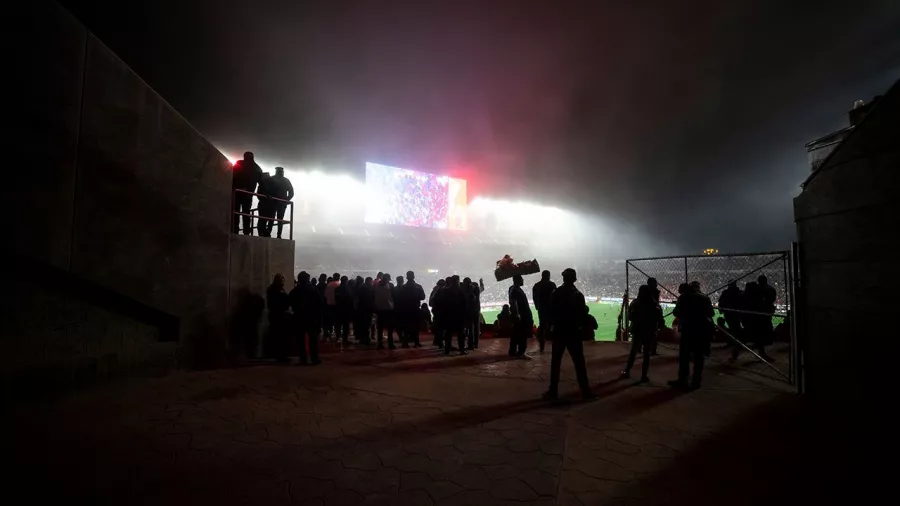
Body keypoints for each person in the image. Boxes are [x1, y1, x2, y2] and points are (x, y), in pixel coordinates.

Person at [544, 268, 595, 400]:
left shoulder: (556, 292)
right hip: (573, 332)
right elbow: (583, 316)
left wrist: (550, 328)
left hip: (559, 331)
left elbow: (550, 312)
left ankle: (553, 391)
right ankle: (585, 391)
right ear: (574, 279)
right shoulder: (578, 294)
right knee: (579, 363)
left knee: (556, 363)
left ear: (563, 278)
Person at [670, 281, 714, 389]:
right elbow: (711, 313)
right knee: (699, 357)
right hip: (701, 330)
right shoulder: (704, 298)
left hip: (687, 329)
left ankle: (683, 380)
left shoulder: (683, 297)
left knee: (684, 356)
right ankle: (696, 381)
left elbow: (676, 312)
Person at [621, 285, 662, 382]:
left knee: (633, 352)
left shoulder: (635, 303)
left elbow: (630, 317)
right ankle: (644, 375)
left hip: (638, 330)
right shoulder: (655, 304)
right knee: (647, 354)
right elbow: (659, 319)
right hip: (650, 331)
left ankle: (627, 371)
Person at [289, 271, 322, 365]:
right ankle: (314, 359)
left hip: (299, 318)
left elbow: (290, 303)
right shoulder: (313, 289)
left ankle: (303, 359)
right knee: (313, 339)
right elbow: (320, 304)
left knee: (300, 340)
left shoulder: (295, 291)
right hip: (311, 317)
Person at [232, 151, 262, 235]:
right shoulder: (257, 168)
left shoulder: (240, 164)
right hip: (246, 194)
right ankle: (245, 231)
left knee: (237, 212)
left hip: (238, 193)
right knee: (245, 213)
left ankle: (236, 230)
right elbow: (262, 183)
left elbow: (232, 175)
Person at [437, 276, 468, 355]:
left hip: (450, 315)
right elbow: (465, 304)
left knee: (449, 333)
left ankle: (448, 350)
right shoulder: (460, 291)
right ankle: (461, 349)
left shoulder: (446, 291)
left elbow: (441, 303)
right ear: (457, 281)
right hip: (457, 316)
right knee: (460, 333)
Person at [397, 271, 426, 348]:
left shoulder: (403, 287)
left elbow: (400, 298)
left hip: (406, 309)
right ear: (413, 276)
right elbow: (423, 297)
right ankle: (416, 342)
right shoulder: (418, 286)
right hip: (415, 308)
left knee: (407, 326)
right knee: (415, 326)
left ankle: (405, 342)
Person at [266, 273, 291, 361]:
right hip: (279, 315)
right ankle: (281, 355)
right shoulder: (276, 290)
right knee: (281, 336)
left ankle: (279, 354)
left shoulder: (272, 289)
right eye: (283, 279)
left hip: (276, 314)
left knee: (278, 335)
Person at [508, 274, 533, 356]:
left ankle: (512, 351)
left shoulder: (513, 288)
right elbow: (514, 302)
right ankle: (521, 352)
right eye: (521, 279)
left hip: (520, 314)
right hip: (522, 315)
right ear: (518, 280)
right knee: (522, 333)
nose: (523, 280)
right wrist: (517, 314)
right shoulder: (515, 289)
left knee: (516, 333)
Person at [533, 271, 557, 352]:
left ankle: (542, 347)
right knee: (553, 327)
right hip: (551, 309)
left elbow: (534, 297)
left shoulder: (537, 285)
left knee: (542, 327)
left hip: (542, 309)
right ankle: (555, 346)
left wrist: (537, 307)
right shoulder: (552, 285)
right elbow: (555, 297)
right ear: (548, 276)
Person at [267, 166, 294, 238]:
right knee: (279, 219)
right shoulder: (286, 180)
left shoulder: (271, 179)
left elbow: (266, 190)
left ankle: (268, 233)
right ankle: (278, 235)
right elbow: (291, 193)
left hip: (273, 202)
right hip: (281, 203)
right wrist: (286, 200)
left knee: (271, 218)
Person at [373, 273, 396, 349]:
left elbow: (373, 296)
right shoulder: (390, 286)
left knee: (380, 327)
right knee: (390, 327)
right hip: (389, 308)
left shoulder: (376, 286)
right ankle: (390, 343)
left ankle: (379, 343)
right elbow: (394, 296)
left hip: (379, 308)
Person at [356, 277, 375, 345]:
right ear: (369, 281)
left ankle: (363, 339)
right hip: (367, 309)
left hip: (362, 309)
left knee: (363, 325)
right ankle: (366, 339)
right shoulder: (368, 289)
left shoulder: (361, 287)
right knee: (367, 325)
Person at [335, 275, 353, 345]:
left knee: (338, 324)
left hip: (338, 309)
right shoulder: (348, 289)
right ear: (346, 281)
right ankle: (345, 339)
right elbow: (350, 299)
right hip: (346, 310)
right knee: (345, 325)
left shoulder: (337, 289)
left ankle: (337, 337)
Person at [429, 279, 446, 347]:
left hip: (436, 310)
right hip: (440, 311)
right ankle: (439, 341)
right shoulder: (441, 291)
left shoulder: (435, 290)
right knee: (440, 327)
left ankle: (437, 340)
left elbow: (431, 302)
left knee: (438, 327)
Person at [257, 172, 274, 237]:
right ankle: (263, 232)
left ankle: (264, 232)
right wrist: (265, 196)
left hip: (266, 205)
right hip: (265, 205)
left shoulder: (262, 184)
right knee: (263, 219)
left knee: (263, 219)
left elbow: (258, 195)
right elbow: (259, 195)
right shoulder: (262, 184)